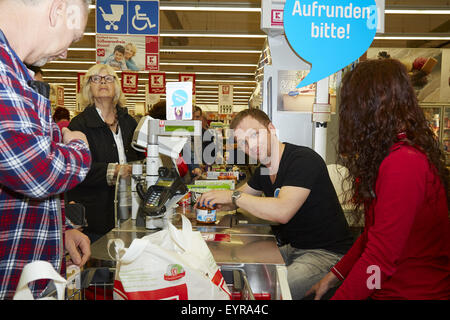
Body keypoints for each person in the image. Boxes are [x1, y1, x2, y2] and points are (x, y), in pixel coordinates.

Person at [307, 58, 450, 300]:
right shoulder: (395, 156)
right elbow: (374, 236)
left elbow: (380, 260)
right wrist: (334, 276)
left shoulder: (402, 163)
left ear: (368, 107)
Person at [196, 108, 354, 299]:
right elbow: (239, 197)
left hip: (327, 254)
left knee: (270, 293)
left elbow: (282, 211)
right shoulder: (265, 168)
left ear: (271, 128)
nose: (251, 146)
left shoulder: (303, 160)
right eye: (243, 143)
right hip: (295, 247)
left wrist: (233, 197)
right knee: (241, 262)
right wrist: (217, 201)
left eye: (254, 135)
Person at [0, 0, 92, 299]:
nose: (65, 52)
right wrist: (79, 145)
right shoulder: (4, 77)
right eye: (73, 37)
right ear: (57, 10)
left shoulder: (18, 79)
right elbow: (39, 172)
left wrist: (62, 228)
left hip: (25, 271)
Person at [66, 64, 144, 243]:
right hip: (95, 216)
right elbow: (75, 170)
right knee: (99, 268)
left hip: (130, 211)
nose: (103, 82)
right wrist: (114, 170)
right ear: (88, 87)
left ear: (116, 86)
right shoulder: (79, 125)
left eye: (109, 78)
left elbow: (139, 159)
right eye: (96, 78)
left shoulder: (129, 122)